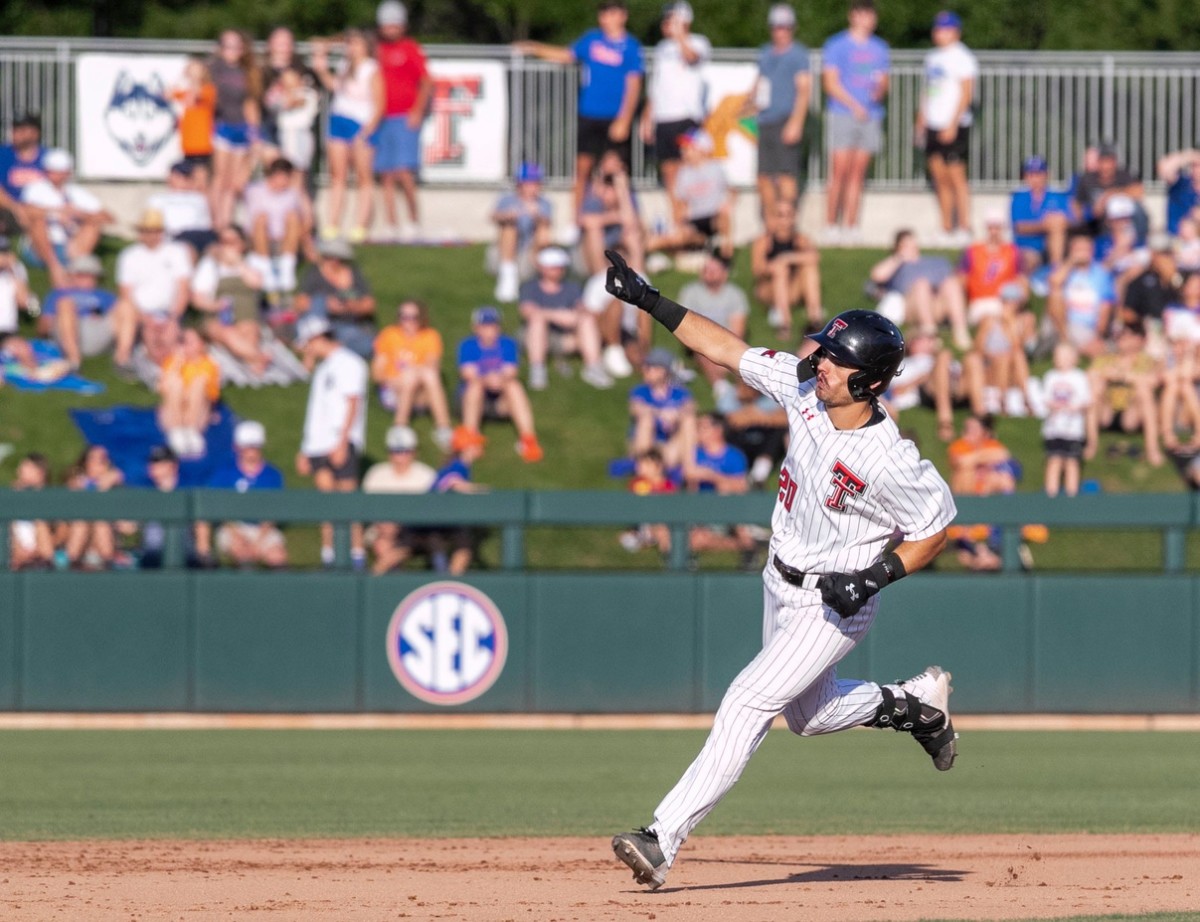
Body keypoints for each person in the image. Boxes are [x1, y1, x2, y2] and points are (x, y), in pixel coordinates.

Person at [603, 252, 958, 890]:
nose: (819, 361)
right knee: (806, 716)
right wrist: (650, 301)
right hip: (780, 578)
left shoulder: (891, 458)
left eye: (834, 358)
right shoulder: (802, 388)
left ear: (869, 382)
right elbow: (727, 350)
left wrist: (875, 577)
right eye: (823, 350)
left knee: (747, 701)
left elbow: (935, 528)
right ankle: (911, 706)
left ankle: (660, 839)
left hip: (839, 598)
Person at [515, 0, 644, 220]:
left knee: (617, 172)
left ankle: (626, 221)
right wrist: (535, 48)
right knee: (582, 169)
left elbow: (634, 84)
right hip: (589, 114)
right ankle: (577, 221)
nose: (607, 18)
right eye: (604, 13)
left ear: (623, 15)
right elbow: (566, 55)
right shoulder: (592, 40)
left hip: (615, 117)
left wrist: (625, 118)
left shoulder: (631, 46)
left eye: (612, 12)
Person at [295, 314, 368, 569]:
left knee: (348, 503)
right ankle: (329, 556)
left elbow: (353, 403)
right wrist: (305, 448)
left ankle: (357, 555)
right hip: (319, 443)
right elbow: (316, 412)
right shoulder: (324, 367)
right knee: (326, 504)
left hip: (339, 440)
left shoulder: (349, 363)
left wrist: (343, 441)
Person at [820, 0, 889, 243]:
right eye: (862, 14)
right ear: (853, 16)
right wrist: (854, 105)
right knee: (839, 171)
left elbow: (883, 80)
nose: (867, 19)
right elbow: (830, 83)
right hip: (843, 114)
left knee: (857, 175)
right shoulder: (836, 44)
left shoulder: (880, 48)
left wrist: (878, 91)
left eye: (870, 15)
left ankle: (851, 226)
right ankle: (830, 225)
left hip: (871, 116)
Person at [312, 29, 383, 244]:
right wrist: (322, 67)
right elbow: (335, 87)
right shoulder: (345, 66)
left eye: (355, 43)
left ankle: (360, 226)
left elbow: (379, 104)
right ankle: (333, 224)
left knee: (363, 178)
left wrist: (366, 131)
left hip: (361, 124)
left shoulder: (372, 69)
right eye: (349, 44)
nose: (351, 47)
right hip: (339, 121)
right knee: (338, 176)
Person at [641, 1, 711, 215]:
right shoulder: (663, 49)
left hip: (686, 117)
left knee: (689, 171)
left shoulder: (699, 42)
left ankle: (693, 219)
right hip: (664, 118)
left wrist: (679, 35)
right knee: (669, 173)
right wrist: (647, 117)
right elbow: (657, 87)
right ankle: (678, 219)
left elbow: (692, 58)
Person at [917, 11, 977, 246]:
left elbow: (966, 92)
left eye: (945, 29)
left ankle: (964, 226)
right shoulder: (932, 57)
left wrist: (952, 123)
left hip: (953, 123)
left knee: (956, 176)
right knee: (939, 176)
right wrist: (921, 117)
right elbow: (928, 89)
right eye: (938, 28)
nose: (940, 33)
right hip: (933, 121)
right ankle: (945, 226)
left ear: (956, 32)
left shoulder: (963, 57)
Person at [374, 0, 433, 241]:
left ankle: (413, 221)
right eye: (386, 25)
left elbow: (426, 81)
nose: (390, 29)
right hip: (380, 118)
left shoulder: (410, 48)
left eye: (394, 25)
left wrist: (417, 111)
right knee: (386, 174)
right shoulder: (375, 49)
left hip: (404, 118)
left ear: (402, 26)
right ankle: (391, 224)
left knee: (404, 172)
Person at [456, 305, 543, 463]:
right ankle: (470, 435)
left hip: (500, 397)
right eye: (485, 326)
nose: (490, 330)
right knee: (475, 386)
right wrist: (489, 379)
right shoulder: (467, 345)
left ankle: (528, 439)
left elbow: (511, 371)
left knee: (514, 386)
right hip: (473, 399)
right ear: (476, 328)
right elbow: (467, 373)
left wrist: (498, 380)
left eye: (493, 326)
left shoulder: (507, 344)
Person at [747, 4, 810, 221]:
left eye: (785, 27)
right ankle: (771, 226)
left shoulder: (798, 55)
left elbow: (804, 91)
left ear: (792, 28)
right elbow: (759, 84)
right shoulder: (765, 52)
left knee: (786, 176)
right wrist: (744, 107)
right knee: (764, 177)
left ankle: (788, 226)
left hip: (785, 119)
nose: (781, 31)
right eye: (777, 27)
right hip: (765, 120)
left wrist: (796, 123)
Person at [518, 246, 612, 390]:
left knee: (586, 321)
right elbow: (527, 311)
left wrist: (574, 316)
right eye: (554, 267)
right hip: (537, 337)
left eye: (560, 267)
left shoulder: (572, 287)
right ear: (543, 268)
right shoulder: (530, 287)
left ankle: (594, 367)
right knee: (537, 321)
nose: (558, 270)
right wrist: (557, 315)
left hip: (566, 338)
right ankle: (537, 369)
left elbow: (581, 309)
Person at [112, 207, 193, 371]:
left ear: (161, 232)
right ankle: (123, 358)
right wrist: (144, 318)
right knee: (127, 309)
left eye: (154, 231)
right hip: (140, 312)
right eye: (146, 231)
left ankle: (167, 371)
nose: (150, 235)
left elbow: (184, 289)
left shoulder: (177, 252)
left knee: (168, 340)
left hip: (169, 312)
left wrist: (174, 317)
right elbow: (126, 293)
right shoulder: (129, 255)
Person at [20, 148, 111, 289]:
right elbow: (27, 212)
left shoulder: (76, 192)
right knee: (37, 222)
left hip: (71, 245)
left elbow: (107, 217)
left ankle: (75, 267)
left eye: (61, 171)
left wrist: (80, 214)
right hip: (40, 248)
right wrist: (58, 212)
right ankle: (55, 267)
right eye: (54, 171)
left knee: (93, 225)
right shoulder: (35, 189)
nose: (57, 175)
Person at [371, 298, 453, 449]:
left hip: (421, 392)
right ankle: (399, 425)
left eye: (413, 317)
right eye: (404, 316)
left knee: (426, 375)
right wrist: (396, 380)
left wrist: (413, 373)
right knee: (411, 376)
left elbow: (432, 367)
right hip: (393, 390)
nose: (408, 321)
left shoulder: (430, 336)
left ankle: (443, 428)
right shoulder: (389, 335)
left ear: (421, 318)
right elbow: (377, 374)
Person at [868, 229, 970, 349]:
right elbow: (877, 276)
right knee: (922, 285)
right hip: (911, 305)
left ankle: (960, 330)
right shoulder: (898, 266)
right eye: (905, 244)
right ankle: (930, 333)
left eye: (912, 242)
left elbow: (955, 281)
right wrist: (899, 257)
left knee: (951, 283)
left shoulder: (936, 261)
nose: (910, 247)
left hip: (937, 304)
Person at [207, 419, 288, 569]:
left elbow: (274, 511)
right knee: (242, 554)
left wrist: (259, 540)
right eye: (246, 447)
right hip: (233, 527)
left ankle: (280, 591)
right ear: (237, 447)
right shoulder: (225, 473)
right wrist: (236, 533)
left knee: (277, 556)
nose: (250, 451)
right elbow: (217, 505)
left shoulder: (272, 475)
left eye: (254, 446)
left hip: (263, 528)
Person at [190, 225, 270, 375]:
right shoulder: (210, 265)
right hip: (218, 316)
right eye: (224, 241)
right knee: (227, 332)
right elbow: (197, 299)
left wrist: (238, 263)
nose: (228, 246)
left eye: (232, 241)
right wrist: (215, 306)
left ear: (242, 243)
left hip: (246, 315)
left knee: (249, 331)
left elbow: (256, 283)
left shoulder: (251, 261)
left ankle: (249, 359)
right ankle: (258, 357)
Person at [645, 128, 734, 261]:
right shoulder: (684, 173)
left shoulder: (716, 168)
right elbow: (682, 203)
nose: (684, 151)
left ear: (702, 149)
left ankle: (725, 256)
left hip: (713, 216)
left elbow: (730, 192)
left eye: (689, 148)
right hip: (694, 220)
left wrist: (727, 205)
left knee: (722, 218)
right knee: (665, 238)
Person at [676, 251, 749, 412]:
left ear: (724, 274)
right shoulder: (690, 292)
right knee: (703, 350)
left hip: (726, 341)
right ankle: (720, 385)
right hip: (701, 341)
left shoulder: (735, 295)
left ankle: (744, 389)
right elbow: (683, 325)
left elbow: (738, 329)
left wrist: (725, 347)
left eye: (713, 270)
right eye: (705, 270)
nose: (708, 273)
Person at [363, 423, 438, 574]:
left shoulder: (426, 475)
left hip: (417, 530)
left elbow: (432, 510)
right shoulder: (376, 474)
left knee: (420, 542)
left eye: (405, 451)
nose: (400, 457)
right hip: (382, 529)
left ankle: (374, 580)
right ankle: (393, 581)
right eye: (395, 451)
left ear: (414, 452)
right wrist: (385, 525)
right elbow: (367, 508)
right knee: (383, 544)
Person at [1086, 321, 1163, 466]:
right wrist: (1108, 375)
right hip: (1107, 410)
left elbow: (1154, 380)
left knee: (1144, 392)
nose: (1121, 339)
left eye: (1126, 336)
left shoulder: (1148, 360)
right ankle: (1091, 444)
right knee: (1096, 389)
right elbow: (1091, 375)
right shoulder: (1107, 358)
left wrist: (1125, 376)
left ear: (1139, 339)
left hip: (1132, 412)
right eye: (1119, 336)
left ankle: (1152, 448)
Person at [946, 413, 1015, 571]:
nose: (967, 432)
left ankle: (989, 548)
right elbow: (960, 462)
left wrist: (974, 458)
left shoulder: (991, 445)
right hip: (963, 504)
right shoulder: (960, 445)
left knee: (1002, 478)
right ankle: (982, 555)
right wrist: (980, 458)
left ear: (985, 432)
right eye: (966, 428)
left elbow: (1003, 455)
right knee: (966, 473)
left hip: (987, 503)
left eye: (972, 429)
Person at [208, 29, 262, 230]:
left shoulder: (248, 72)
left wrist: (254, 135)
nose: (232, 50)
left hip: (241, 128)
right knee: (220, 178)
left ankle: (225, 222)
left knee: (233, 183)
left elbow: (250, 104)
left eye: (237, 46)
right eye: (228, 45)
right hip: (221, 126)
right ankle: (214, 222)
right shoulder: (212, 70)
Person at [749, 198, 822, 340]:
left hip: (792, 289)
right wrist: (777, 265)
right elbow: (757, 269)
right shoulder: (763, 241)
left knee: (809, 268)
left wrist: (787, 258)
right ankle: (784, 323)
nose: (785, 220)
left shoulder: (800, 239)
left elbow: (814, 257)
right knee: (780, 270)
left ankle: (815, 318)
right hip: (769, 290)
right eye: (780, 215)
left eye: (788, 214)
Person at [295, 237, 377, 358]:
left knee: (369, 345)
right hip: (320, 323)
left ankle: (322, 348)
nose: (333, 261)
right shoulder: (314, 273)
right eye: (328, 257)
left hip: (347, 324)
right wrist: (327, 305)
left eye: (337, 257)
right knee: (319, 300)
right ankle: (324, 345)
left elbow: (370, 305)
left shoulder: (354, 273)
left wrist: (351, 307)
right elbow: (299, 303)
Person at [243, 157, 310, 300]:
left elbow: (307, 219)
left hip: (284, 240)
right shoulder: (255, 190)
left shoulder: (292, 193)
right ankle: (267, 273)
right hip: (259, 239)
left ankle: (287, 270)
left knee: (293, 217)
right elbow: (253, 221)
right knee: (261, 219)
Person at [490, 161, 553, 303]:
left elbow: (548, 223)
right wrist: (508, 215)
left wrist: (537, 215)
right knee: (509, 227)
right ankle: (508, 277)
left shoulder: (544, 203)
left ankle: (544, 274)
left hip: (531, 253)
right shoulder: (507, 200)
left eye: (536, 183)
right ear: (519, 185)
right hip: (504, 254)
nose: (533, 188)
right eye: (529, 183)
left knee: (543, 228)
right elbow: (493, 216)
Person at [259, 27, 320, 174]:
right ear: (270, 45)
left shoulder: (302, 70)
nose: (283, 47)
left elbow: (311, 97)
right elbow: (259, 102)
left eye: (287, 43)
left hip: (295, 130)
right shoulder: (261, 72)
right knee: (274, 175)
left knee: (295, 176)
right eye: (279, 42)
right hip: (269, 130)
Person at [1046, 233, 1115, 358]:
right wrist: (1071, 262)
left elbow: (1106, 306)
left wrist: (1098, 335)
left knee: (1097, 349)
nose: (1082, 254)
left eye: (1086, 250)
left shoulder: (1101, 274)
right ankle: (1065, 341)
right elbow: (1054, 283)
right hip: (1062, 323)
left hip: (1086, 326)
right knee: (1055, 294)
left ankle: (1072, 350)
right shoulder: (1064, 270)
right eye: (1078, 250)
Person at [628, 346, 696, 470]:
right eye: (646, 367)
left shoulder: (679, 392)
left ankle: (690, 470)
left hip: (670, 446)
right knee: (646, 420)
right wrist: (661, 413)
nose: (646, 370)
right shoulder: (640, 391)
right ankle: (644, 468)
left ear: (664, 371)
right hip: (647, 444)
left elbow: (690, 408)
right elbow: (637, 408)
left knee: (688, 421)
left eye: (651, 368)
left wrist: (676, 416)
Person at [578, 149, 644, 275]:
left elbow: (631, 222)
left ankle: (639, 281)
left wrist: (622, 191)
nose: (610, 190)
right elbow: (587, 222)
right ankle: (601, 279)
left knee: (633, 235)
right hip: (590, 248)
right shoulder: (593, 197)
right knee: (594, 232)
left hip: (618, 243)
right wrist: (616, 216)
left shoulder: (626, 195)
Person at [158, 326, 221, 459]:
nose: (187, 345)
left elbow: (211, 394)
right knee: (175, 382)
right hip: (174, 412)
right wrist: (177, 364)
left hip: (197, 413)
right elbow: (163, 388)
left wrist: (187, 394)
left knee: (198, 383)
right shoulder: (174, 361)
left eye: (192, 342)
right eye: (184, 342)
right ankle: (177, 434)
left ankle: (191, 433)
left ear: (202, 344)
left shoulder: (209, 365)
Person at [1041, 342, 1091, 497]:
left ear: (1074, 359)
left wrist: (1073, 407)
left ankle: (1072, 496)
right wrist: (1052, 405)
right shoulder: (1050, 376)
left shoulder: (1079, 377)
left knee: (1071, 462)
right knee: (1054, 460)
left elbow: (1086, 400)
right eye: (1058, 356)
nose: (1061, 359)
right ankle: (1051, 495)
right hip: (1054, 428)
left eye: (1065, 356)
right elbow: (1045, 399)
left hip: (1073, 429)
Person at [960, 208, 1023, 330]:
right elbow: (962, 279)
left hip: (1006, 301)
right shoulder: (973, 251)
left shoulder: (1013, 251)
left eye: (997, 227)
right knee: (993, 319)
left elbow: (1021, 279)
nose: (994, 232)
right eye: (991, 227)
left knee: (1017, 317)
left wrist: (1019, 298)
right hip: (980, 302)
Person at [63, 444, 123, 571]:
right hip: (78, 551)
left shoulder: (117, 488)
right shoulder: (76, 483)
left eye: (102, 460)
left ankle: (105, 565)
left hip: (105, 552)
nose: (97, 463)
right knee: (82, 522)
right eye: (92, 459)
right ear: (85, 462)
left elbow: (128, 527)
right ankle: (71, 567)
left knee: (101, 523)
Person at [1010, 155, 1072, 271]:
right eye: (1031, 174)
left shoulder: (1057, 196)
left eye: (1039, 174)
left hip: (1052, 244)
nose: (1035, 179)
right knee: (1028, 259)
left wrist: (1053, 223)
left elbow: (1068, 219)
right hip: (1028, 246)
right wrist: (1045, 225)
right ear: (1025, 177)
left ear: (1046, 175)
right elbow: (1019, 227)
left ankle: (1056, 268)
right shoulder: (1019, 198)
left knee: (1057, 225)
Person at [724, 377, 789, 487]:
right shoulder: (730, 394)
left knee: (780, 432)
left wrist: (759, 418)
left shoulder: (769, 397)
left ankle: (759, 474)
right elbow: (728, 419)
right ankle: (736, 474)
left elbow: (784, 419)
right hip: (741, 440)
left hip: (763, 440)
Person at [1072, 142, 1144, 237]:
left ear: (1115, 162)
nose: (1106, 166)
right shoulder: (1087, 179)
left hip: (1121, 222)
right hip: (1095, 223)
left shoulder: (1124, 175)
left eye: (1109, 161)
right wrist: (1091, 211)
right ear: (1098, 162)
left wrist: (1110, 195)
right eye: (1103, 161)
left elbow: (1139, 191)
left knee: (1138, 210)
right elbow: (1076, 205)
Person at [148, 161, 217, 259]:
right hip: (170, 237)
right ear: (170, 178)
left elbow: (206, 225)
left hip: (195, 237)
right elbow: (152, 224)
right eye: (178, 176)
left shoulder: (199, 199)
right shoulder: (157, 199)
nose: (182, 180)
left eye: (186, 177)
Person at [169, 56, 217, 194]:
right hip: (187, 145)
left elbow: (198, 94)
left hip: (201, 145)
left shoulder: (208, 90)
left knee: (200, 181)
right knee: (190, 182)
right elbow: (167, 93)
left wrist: (195, 78)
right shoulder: (186, 91)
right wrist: (181, 77)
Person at [9, 452, 56, 571]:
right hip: (16, 553)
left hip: (42, 553)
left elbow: (49, 548)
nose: (20, 471)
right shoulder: (11, 496)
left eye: (28, 467)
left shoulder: (51, 499)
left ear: (41, 473)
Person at [0, 113, 45, 235]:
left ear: (36, 133)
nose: (16, 132)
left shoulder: (47, 157)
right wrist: (16, 209)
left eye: (22, 129)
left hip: (42, 209)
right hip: (8, 209)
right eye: (15, 128)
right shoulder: (4, 154)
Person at [1157, 148, 1200, 237]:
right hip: (1176, 241)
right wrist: (1189, 156)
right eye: (1195, 165)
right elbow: (1165, 170)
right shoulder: (1181, 183)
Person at [0, 234, 31, 341]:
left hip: (7, 332)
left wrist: (12, 270)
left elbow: (23, 303)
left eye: (4, 252)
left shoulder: (17, 269)